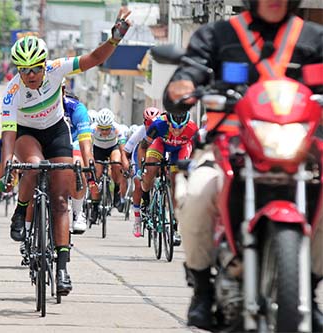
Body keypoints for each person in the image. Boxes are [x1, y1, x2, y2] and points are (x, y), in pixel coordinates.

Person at [161, 0, 323, 329]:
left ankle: (310, 285)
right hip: (228, 145)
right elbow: (190, 69)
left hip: (299, 150)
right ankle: (203, 289)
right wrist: (183, 85)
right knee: (197, 194)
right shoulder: (218, 35)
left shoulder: (313, 39)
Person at [0, 8, 131, 297]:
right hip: (27, 134)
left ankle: (61, 267)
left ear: (45, 65)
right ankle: (20, 213)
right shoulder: (12, 91)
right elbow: (8, 133)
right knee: (33, 165)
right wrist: (7, 163)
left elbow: (94, 59)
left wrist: (115, 39)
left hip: (57, 131)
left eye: (35, 69)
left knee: (60, 200)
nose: (30, 75)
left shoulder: (58, 67)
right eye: (23, 70)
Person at [138, 110, 197, 245]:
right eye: (173, 127)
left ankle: (174, 227)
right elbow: (143, 146)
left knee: (177, 182)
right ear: (168, 122)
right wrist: (143, 167)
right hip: (160, 144)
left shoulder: (192, 129)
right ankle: (145, 198)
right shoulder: (158, 125)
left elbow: (196, 151)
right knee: (151, 170)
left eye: (180, 128)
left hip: (181, 149)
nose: (176, 131)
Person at [123, 107, 161, 237]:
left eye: (153, 123)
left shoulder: (162, 129)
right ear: (144, 122)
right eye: (148, 123)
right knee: (139, 184)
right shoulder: (140, 131)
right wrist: (127, 165)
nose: (150, 126)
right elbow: (126, 151)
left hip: (157, 154)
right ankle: (138, 220)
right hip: (139, 157)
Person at [89, 108, 130, 223]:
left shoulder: (118, 129)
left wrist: (124, 162)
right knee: (96, 174)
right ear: (98, 126)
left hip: (113, 147)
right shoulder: (92, 129)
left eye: (107, 129)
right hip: (98, 149)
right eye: (102, 129)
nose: (105, 132)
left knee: (116, 164)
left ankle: (116, 191)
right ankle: (95, 208)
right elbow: (88, 147)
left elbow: (123, 150)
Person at [63, 88, 94, 233]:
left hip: (73, 140)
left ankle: (78, 212)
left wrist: (89, 169)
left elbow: (85, 144)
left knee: (77, 164)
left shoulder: (76, 108)